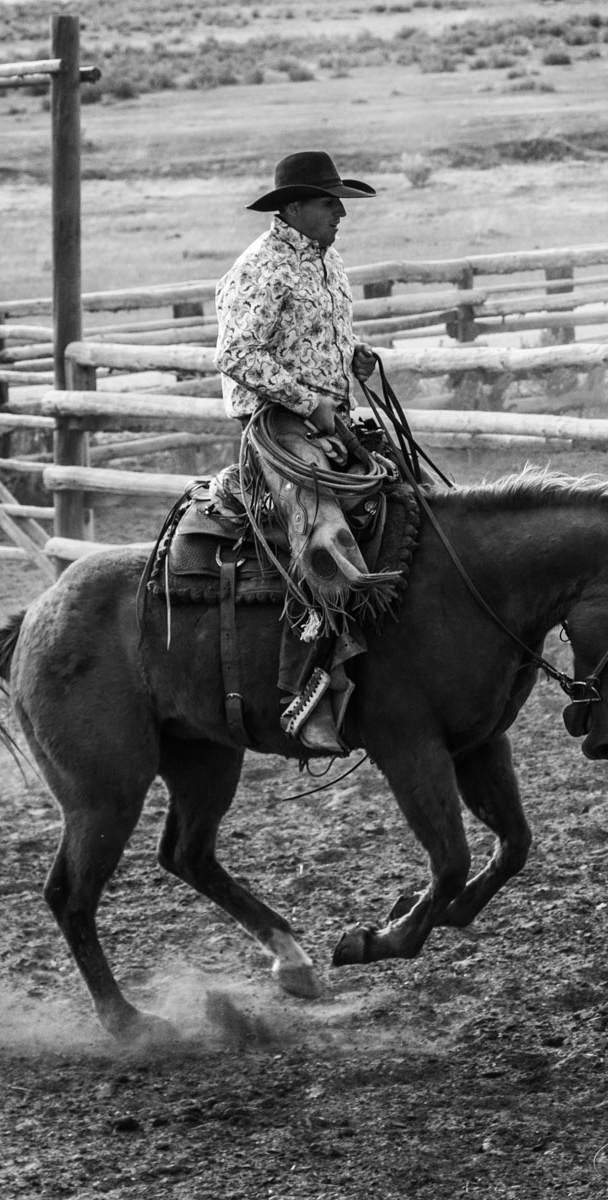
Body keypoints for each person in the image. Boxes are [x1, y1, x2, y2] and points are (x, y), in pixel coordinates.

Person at [215, 150, 383, 756]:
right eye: (328, 201)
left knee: (409, 495)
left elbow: (312, 336)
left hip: (328, 416)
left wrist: (354, 356)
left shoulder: (326, 259)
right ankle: (303, 687)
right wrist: (309, 403)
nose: (340, 211)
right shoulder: (259, 269)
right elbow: (238, 355)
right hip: (278, 425)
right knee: (323, 539)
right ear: (293, 209)